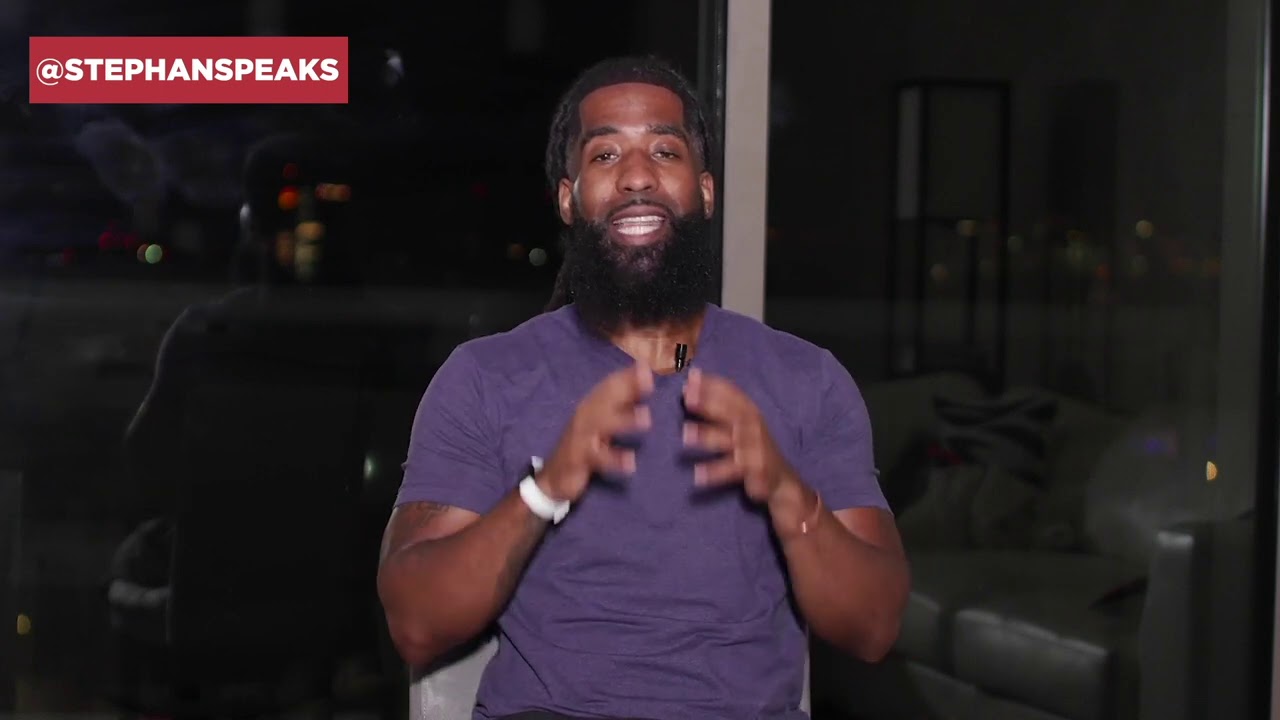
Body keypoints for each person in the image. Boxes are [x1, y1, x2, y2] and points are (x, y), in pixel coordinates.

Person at [377, 56, 910, 720]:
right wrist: (546, 490)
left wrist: (784, 490)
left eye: (664, 150)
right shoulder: (485, 377)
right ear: (568, 198)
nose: (636, 176)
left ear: (706, 191)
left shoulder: (807, 379)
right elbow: (416, 624)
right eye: (605, 155)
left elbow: (873, 627)